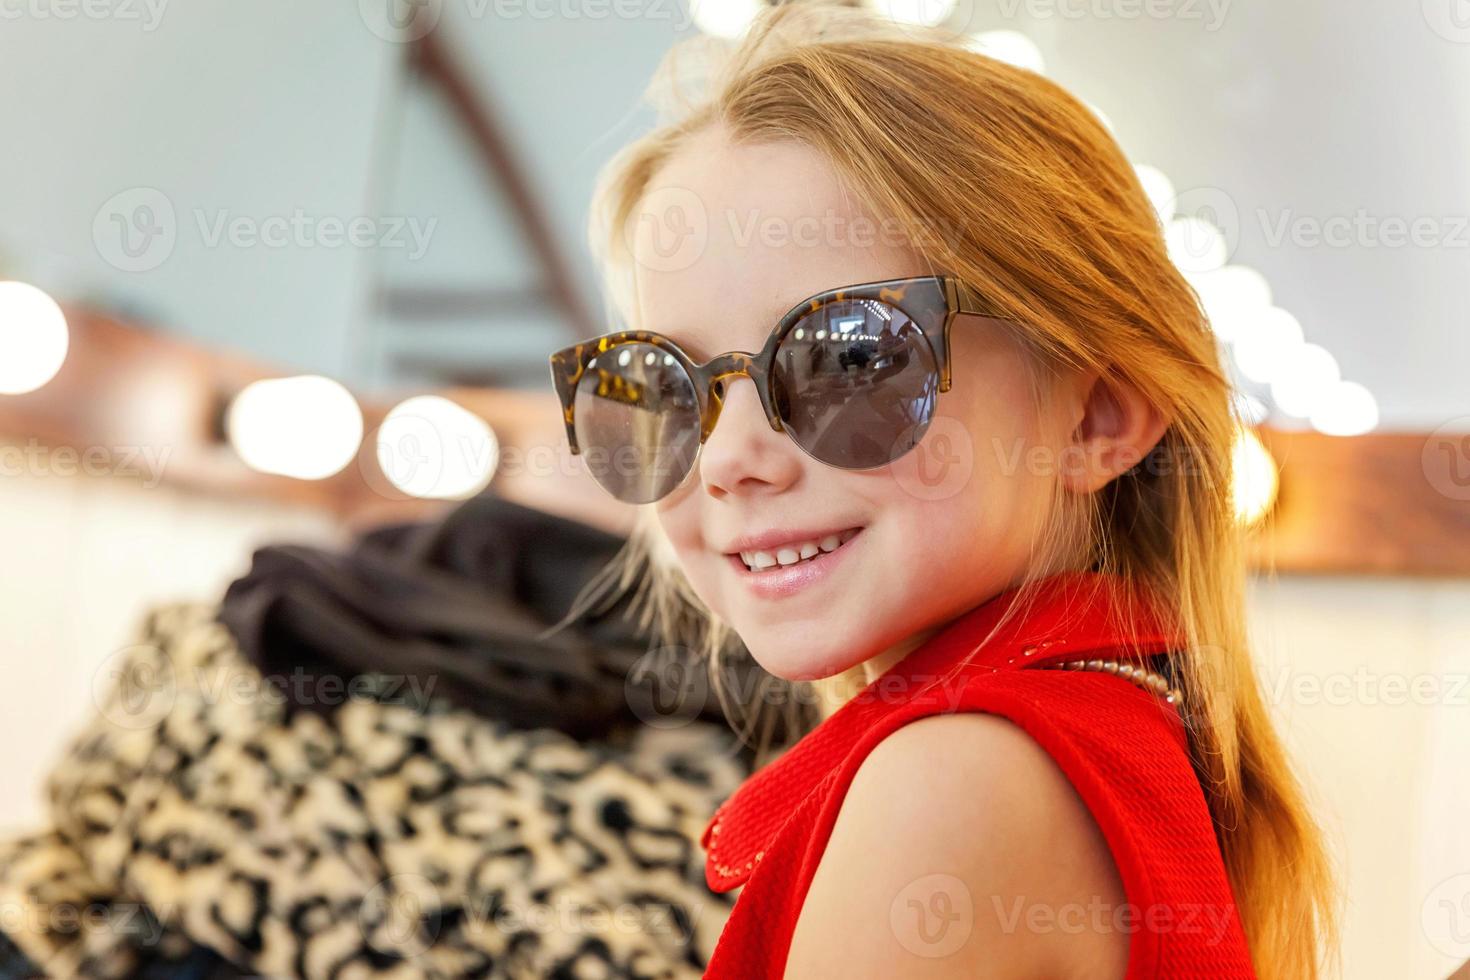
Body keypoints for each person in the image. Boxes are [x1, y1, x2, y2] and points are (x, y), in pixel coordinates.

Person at [547, 5, 1337, 977]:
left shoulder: (953, 782)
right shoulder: (1112, 736)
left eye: (848, 354)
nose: (727, 459)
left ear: (1098, 414)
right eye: (666, 380)